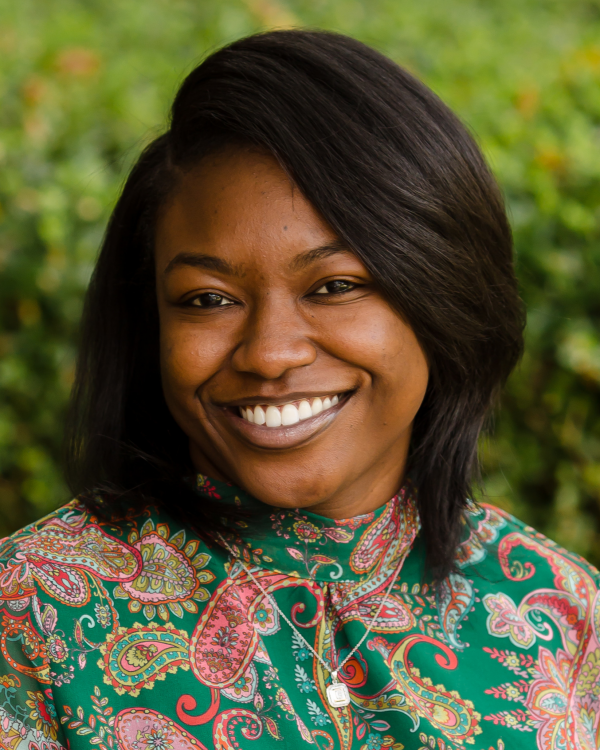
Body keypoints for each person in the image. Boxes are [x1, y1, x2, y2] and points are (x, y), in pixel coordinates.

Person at [0, 29, 598, 750]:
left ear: (441, 296)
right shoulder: (30, 620)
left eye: (335, 286)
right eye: (207, 299)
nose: (270, 353)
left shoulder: (566, 615)